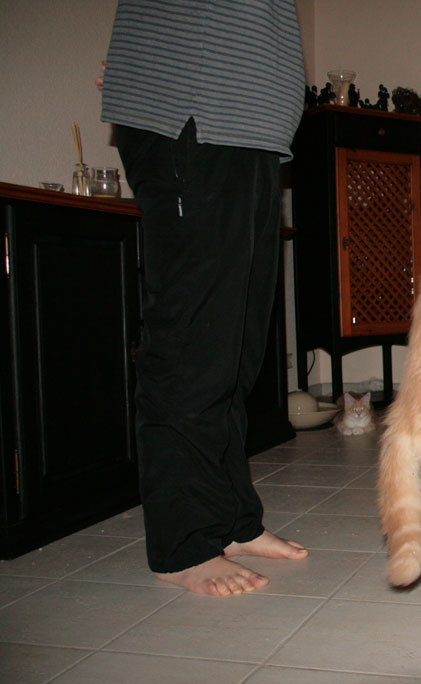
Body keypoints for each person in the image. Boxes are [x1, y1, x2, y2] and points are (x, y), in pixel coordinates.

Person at [98, 0, 308, 596]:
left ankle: (233, 522)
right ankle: (183, 543)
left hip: (249, 130)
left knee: (235, 349)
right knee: (194, 342)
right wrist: (144, 57)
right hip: (192, 112)